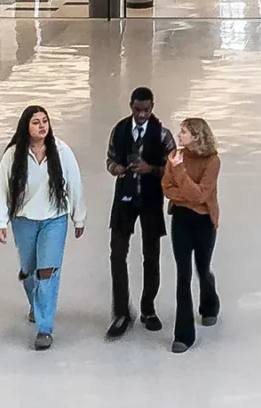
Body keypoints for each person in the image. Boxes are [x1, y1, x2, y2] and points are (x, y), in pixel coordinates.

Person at [0, 104, 86, 350]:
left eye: (45, 121)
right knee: (29, 269)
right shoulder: (13, 155)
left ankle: (45, 328)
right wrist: (1, 221)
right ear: (26, 126)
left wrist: (79, 217)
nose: (42, 126)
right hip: (24, 220)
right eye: (36, 122)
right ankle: (36, 301)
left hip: (55, 219)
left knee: (47, 271)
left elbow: (74, 183)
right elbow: (2, 188)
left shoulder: (62, 151)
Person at [105, 86, 172, 339]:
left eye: (146, 110)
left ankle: (148, 307)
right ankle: (121, 311)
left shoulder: (163, 135)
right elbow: (109, 159)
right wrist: (117, 169)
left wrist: (151, 169)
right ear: (131, 107)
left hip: (151, 199)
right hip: (124, 198)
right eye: (137, 110)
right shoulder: (120, 130)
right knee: (117, 253)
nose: (142, 115)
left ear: (152, 107)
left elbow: (173, 168)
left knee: (151, 254)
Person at [160, 116, 221, 352]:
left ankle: (209, 304)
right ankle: (183, 334)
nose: (179, 135)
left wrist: (180, 174)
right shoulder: (175, 156)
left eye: (184, 132)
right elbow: (166, 188)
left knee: (202, 268)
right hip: (181, 220)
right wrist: (184, 190)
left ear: (196, 135)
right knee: (183, 274)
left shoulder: (212, 161)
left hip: (205, 221)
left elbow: (200, 196)